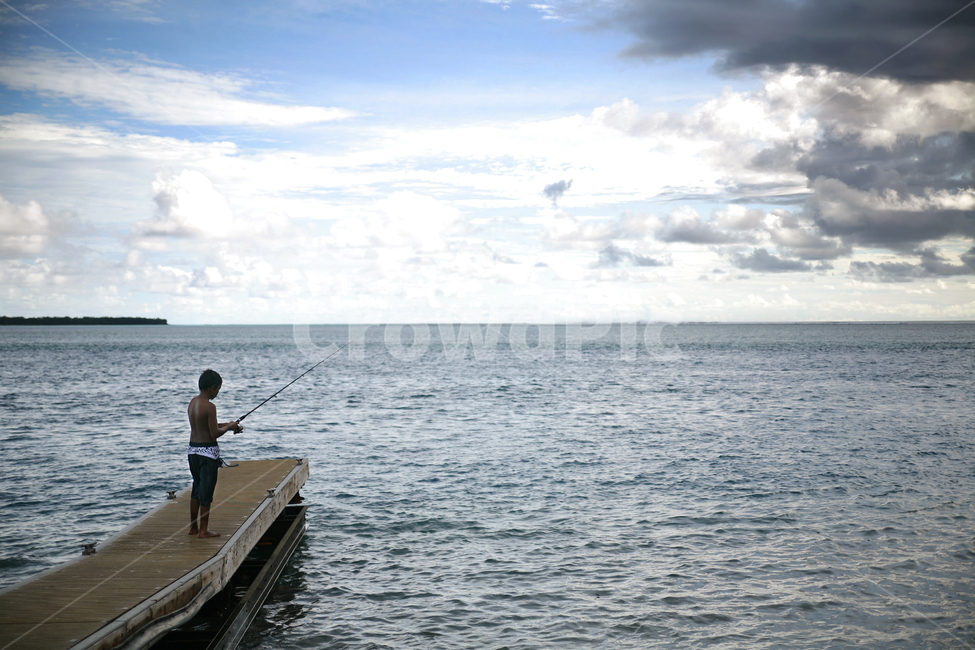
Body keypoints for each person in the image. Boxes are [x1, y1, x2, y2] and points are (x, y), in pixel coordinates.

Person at [187, 369, 241, 538]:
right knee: (206, 492)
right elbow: (214, 434)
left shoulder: (193, 403)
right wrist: (229, 428)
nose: (218, 392)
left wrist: (228, 424)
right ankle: (204, 531)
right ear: (212, 388)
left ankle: (193, 527)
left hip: (193, 451)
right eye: (218, 389)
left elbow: (206, 425)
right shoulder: (210, 406)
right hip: (207, 454)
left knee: (196, 488)